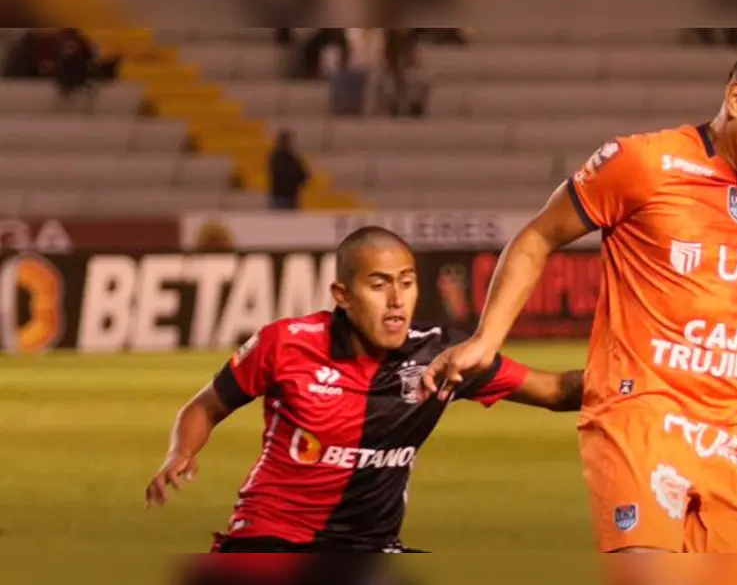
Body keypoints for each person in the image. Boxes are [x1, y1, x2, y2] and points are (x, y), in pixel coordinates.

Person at [422, 31, 737, 562]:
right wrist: (486, 338)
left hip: (728, 439)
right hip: (640, 418)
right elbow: (538, 236)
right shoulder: (643, 163)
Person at [145, 226, 584, 554]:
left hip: (370, 550)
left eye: (406, 282)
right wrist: (180, 452)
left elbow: (559, 392)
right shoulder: (286, 343)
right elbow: (208, 405)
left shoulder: (445, 357)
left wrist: (643, 373)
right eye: (378, 284)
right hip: (271, 539)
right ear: (343, 294)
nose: (396, 299)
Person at [267, 130, 309, 210]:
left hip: (287, 195)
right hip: (284, 195)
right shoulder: (284, 158)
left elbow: (303, 174)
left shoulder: (284, 158)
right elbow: (302, 174)